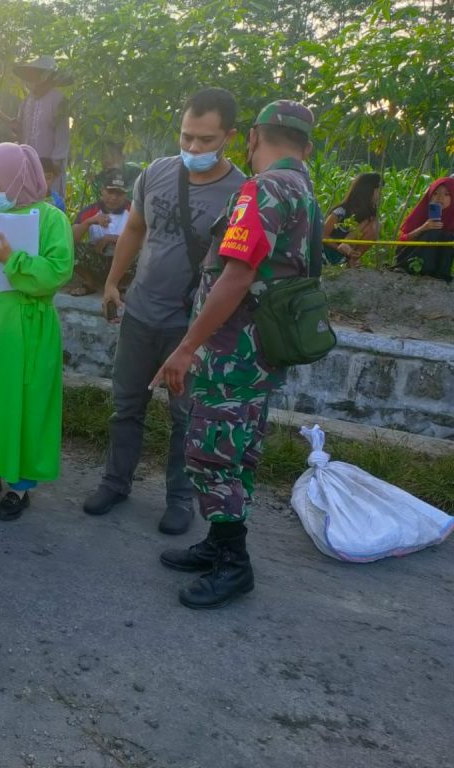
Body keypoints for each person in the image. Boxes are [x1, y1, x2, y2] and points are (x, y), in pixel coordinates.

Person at [152, 100, 321, 609]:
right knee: (239, 448)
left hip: (233, 352)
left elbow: (238, 273)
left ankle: (233, 563)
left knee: (213, 452)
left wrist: (186, 348)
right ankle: (219, 542)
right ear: (307, 147)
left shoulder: (264, 189)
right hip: (260, 349)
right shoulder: (304, 192)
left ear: (251, 137)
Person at [85, 88, 246, 536]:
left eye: (205, 140)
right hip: (140, 314)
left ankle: (180, 499)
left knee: (185, 417)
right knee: (126, 406)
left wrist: (201, 336)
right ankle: (115, 483)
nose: (193, 148)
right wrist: (114, 282)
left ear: (229, 137)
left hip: (190, 326)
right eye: (186, 136)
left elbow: (239, 270)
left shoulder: (242, 193)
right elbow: (134, 228)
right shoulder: (156, 173)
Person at [0, 142, 73, 520]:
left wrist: (12, 259)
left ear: (18, 178)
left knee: (26, 403)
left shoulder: (52, 219)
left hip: (30, 324)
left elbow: (57, 271)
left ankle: (19, 487)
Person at [0, 57, 71, 197]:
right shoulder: (27, 101)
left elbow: (62, 137)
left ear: (47, 76)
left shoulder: (59, 100)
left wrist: (54, 166)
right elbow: (19, 128)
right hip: (28, 166)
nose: (32, 80)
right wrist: (0, 115)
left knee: (47, 208)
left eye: (35, 75)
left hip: (50, 170)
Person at [70, 174, 130, 295]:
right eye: (110, 192)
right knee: (70, 249)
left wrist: (112, 239)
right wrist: (89, 222)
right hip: (97, 260)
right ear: (102, 191)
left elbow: (144, 240)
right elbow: (70, 239)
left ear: (125, 195)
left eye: (119, 193)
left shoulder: (133, 210)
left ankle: (121, 285)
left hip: (123, 263)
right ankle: (89, 282)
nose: (114, 197)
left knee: (142, 253)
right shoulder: (91, 210)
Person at [394, 178, 454, 282]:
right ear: (429, 196)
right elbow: (401, 242)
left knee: (449, 237)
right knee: (433, 232)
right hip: (410, 261)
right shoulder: (421, 212)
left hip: (438, 271)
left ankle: (440, 274)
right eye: (435, 193)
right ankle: (411, 268)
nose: (440, 198)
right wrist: (423, 228)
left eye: (446, 194)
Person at [323, 172, 381, 267]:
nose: (380, 195)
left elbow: (357, 233)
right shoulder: (341, 211)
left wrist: (351, 253)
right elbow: (323, 236)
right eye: (378, 190)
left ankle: (352, 261)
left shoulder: (369, 217)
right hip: (326, 254)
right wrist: (339, 248)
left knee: (376, 225)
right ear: (368, 191)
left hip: (344, 256)